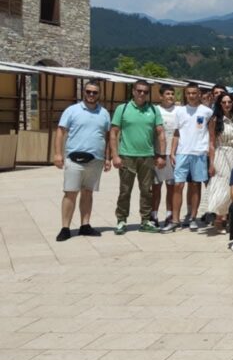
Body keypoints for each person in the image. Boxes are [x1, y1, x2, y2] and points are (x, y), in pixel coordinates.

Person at [54, 79, 111, 241]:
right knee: (70, 193)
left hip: (96, 160)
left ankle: (85, 225)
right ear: (83, 92)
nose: (91, 95)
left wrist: (107, 158)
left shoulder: (104, 113)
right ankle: (65, 228)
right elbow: (60, 132)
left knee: (88, 192)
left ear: (99, 94)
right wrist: (58, 154)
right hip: (74, 159)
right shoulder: (72, 110)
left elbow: (107, 137)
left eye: (94, 92)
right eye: (88, 92)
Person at [110, 79, 166, 235]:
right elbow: (113, 132)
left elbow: (160, 132)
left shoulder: (154, 110)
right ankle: (121, 220)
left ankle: (146, 220)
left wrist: (161, 155)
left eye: (145, 91)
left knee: (147, 191)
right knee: (125, 190)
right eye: (139, 90)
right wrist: (115, 155)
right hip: (127, 156)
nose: (142, 94)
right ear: (133, 91)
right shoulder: (123, 108)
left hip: (147, 156)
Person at [166, 82, 215, 233]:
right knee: (178, 185)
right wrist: (173, 152)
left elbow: (211, 135)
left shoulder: (207, 112)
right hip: (182, 152)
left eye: (194, 93)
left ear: (199, 94)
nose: (192, 96)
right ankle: (175, 219)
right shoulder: (179, 111)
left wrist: (209, 154)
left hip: (199, 153)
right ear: (185, 94)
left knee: (195, 185)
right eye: (189, 93)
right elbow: (176, 133)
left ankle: (193, 218)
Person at [206, 92, 233, 230]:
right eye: (224, 102)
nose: (227, 104)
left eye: (229, 102)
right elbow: (211, 142)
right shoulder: (215, 120)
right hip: (221, 153)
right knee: (221, 185)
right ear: (219, 104)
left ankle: (230, 217)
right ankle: (218, 218)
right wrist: (211, 162)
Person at [151, 84, 178, 226]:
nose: (170, 97)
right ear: (161, 96)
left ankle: (169, 214)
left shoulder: (178, 111)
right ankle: (153, 215)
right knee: (155, 187)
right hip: (157, 153)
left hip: (172, 155)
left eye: (172, 94)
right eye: (167, 94)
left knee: (171, 187)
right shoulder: (155, 110)